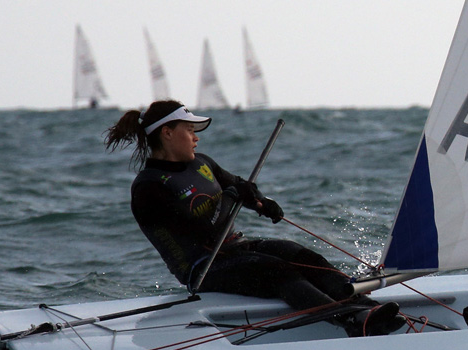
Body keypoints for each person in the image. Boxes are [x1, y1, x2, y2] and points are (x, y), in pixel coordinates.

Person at [104, 100, 404, 336]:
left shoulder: (202, 164)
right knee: (275, 269)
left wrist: (260, 202)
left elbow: (239, 186)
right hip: (204, 269)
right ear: (167, 133)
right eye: (189, 130)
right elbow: (204, 232)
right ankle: (353, 321)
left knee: (300, 254)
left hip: (237, 250)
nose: (196, 138)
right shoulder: (149, 187)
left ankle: (370, 310)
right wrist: (230, 198)